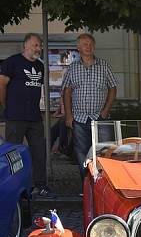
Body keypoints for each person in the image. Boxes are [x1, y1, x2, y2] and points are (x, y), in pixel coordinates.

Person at [0, 33, 54, 197]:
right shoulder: (12, 62)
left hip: (34, 117)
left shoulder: (40, 66)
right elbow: (1, 84)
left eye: (40, 46)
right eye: (35, 45)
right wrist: (5, 106)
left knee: (39, 152)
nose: (38, 48)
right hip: (15, 117)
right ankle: (13, 187)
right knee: (13, 154)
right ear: (26, 45)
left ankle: (40, 185)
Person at [63, 33, 117, 189]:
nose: (89, 47)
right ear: (78, 48)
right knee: (82, 155)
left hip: (100, 118)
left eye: (91, 44)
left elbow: (112, 88)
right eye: (85, 44)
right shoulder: (73, 68)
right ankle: (87, 187)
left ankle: (103, 187)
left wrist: (106, 110)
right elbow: (66, 91)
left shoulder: (104, 65)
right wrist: (68, 115)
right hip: (79, 119)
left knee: (104, 154)